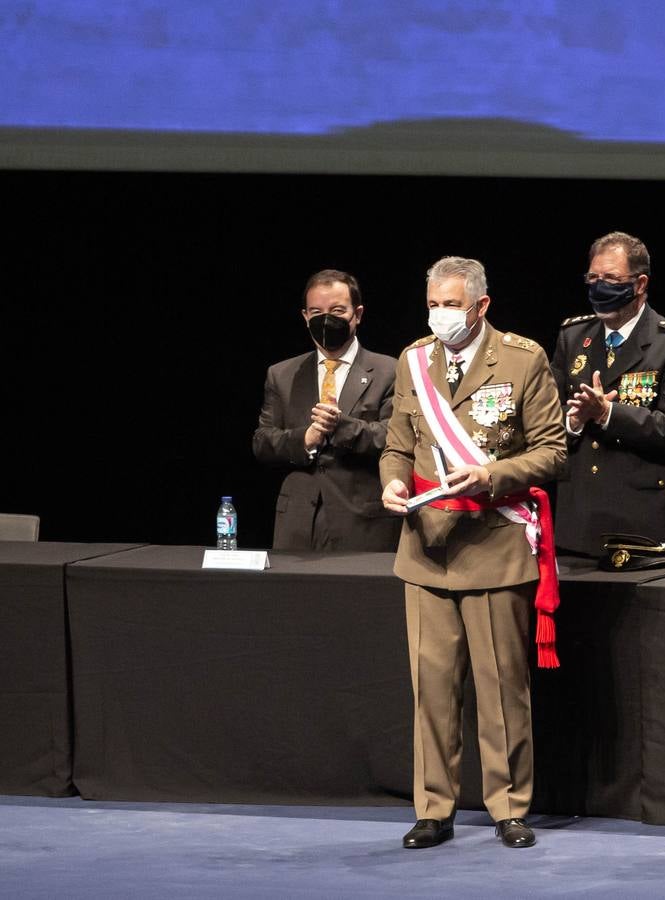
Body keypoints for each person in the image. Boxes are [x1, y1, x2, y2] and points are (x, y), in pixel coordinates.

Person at [379, 256, 566, 850]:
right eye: (432, 303)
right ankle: (433, 808)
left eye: (451, 304)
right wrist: (391, 481)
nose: (440, 315)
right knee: (431, 688)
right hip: (427, 549)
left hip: (493, 543)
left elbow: (553, 451)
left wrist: (491, 474)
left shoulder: (521, 359)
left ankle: (509, 806)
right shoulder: (413, 361)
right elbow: (397, 443)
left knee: (500, 686)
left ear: (481, 306)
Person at [550, 231, 665, 557]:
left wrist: (607, 414)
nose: (599, 286)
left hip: (643, 521)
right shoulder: (572, 335)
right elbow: (546, 426)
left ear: (640, 283)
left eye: (611, 278)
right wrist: (573, 421)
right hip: (578, 521)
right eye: (592, 278)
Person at [252, 269, 400, 551]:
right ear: (305, 317)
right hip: (297, 524)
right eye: (316, 311)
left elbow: (395, 438)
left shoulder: (390, 370)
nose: (326, 319)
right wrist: (304, 440)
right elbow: (262, 442)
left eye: (337, 310)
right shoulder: (282, 374)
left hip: (364, 522)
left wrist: (341, 426)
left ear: (357, 314)